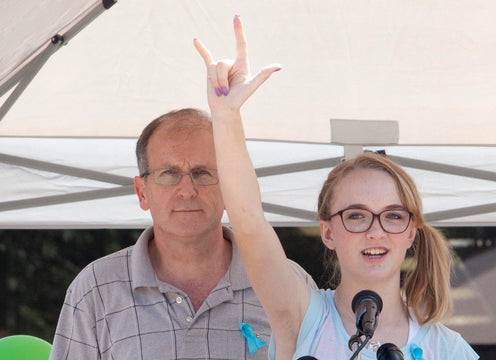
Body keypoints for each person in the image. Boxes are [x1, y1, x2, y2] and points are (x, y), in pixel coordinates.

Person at [194, 15, 479, 360]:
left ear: (411, 232)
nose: (376, 232)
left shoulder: (447, 349)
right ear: (328, 232)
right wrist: (226, 117)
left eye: (392, 216)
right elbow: (249, 222)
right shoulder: (304, 317)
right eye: (356, 215)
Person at [49, 108, 316, 359]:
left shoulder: (288, 282)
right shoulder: (96, 288)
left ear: (229, 186)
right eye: (169, 173)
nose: (187, 190)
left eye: (202, 173)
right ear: (143, 192)